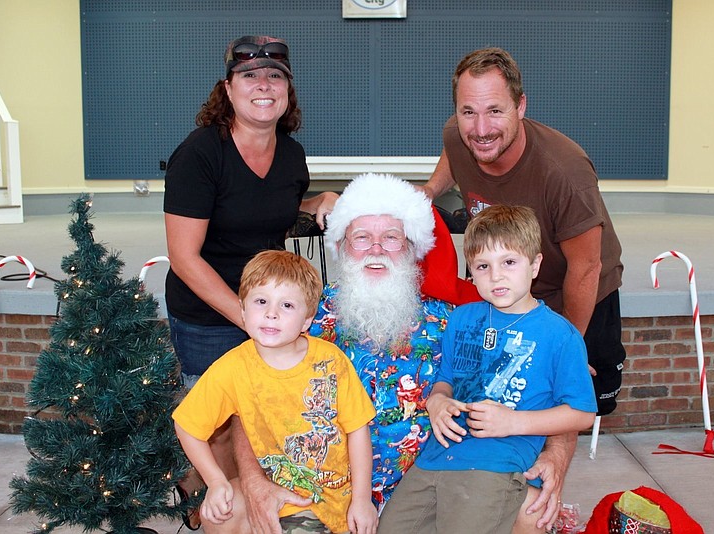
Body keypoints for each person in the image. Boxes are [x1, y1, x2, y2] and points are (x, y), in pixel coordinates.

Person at [229, 173, 574, 533]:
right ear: (342, 246)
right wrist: (252, 479)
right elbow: (245, 394)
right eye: (362, 237)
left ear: (412, 248)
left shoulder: (456, 322)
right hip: (320, 482)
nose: (376, 250)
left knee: (532, 510)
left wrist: (556, 455)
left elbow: (545, 382)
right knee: (226, 509)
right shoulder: (302, 312)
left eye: (391, 238)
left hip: (426, 486)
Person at [164, 35, 337, 529]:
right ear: (228, 88)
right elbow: (183, 256)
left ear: (288, 90)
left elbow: (272, 208)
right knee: (219, 423)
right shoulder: (200, 155)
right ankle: (195, 493)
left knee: (260, 416)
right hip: (208, 309)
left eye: (275, 76)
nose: (263, 85)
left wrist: (318, 199)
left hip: (266, 305)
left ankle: (218, 493)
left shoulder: (291, 155)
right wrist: (243, 316)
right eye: (250, 76)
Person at [419, 47, 626, 418]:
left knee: (565, 399)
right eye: (469, 112)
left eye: (495, 110)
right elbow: (455, 148)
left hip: (574, 290)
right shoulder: (459, 133)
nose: (480, 129)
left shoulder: (565, 173)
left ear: (521, 106)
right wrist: (432, 188)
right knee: (502, 390)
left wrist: (563, 346)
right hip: (505, 286)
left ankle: (549, 471)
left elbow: (586, 267)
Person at [378, 205, 597, 534]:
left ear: (535, 264)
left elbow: (582, 413)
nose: (496, 276)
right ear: (471, 272)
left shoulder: (559, 335)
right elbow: (447, 380)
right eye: (483, 266)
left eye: (509, 262)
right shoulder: (463, 318)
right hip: (436, 457)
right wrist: (437, 401)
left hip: (495, 464)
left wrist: (513, 421)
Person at [173, 250, 377, 534]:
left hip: (331, 497)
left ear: (307, 320)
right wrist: (216, 481)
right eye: (261, 301)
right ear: (243, 309)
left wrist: (362, 499)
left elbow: (357, 429)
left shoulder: (331, 361)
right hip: (273, 490)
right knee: (219, 513)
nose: (271, 313)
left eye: (287, 306)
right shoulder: (232, 367)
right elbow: (187, 426)